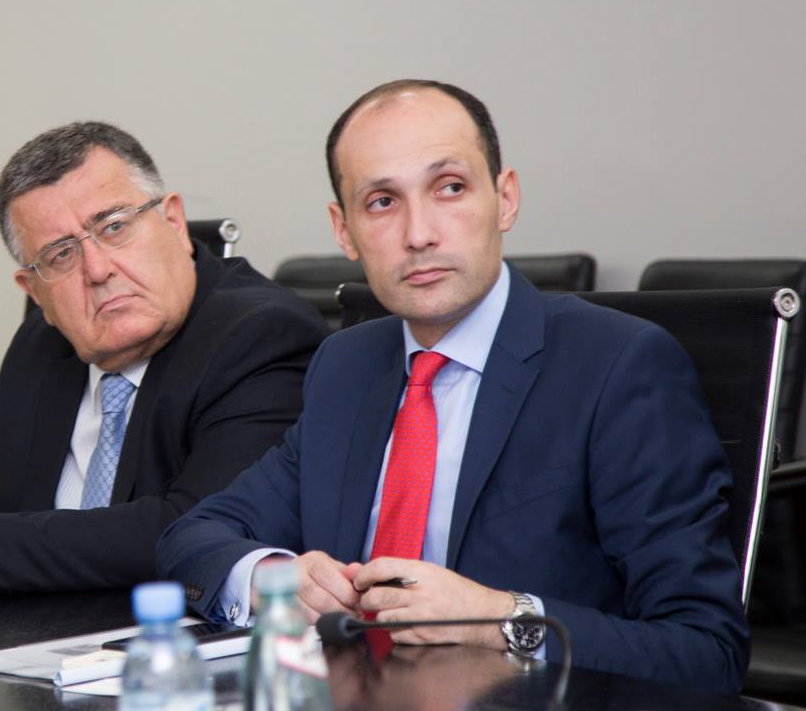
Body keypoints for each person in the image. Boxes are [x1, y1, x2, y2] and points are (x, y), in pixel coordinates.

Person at [155, 80, 749, 692]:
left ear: (506, 199)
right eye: (381, 202)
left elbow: (707, 651)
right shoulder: (346, 365)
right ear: (344, 230)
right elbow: (192, 539)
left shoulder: (617, 366)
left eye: (450, 188)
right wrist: (273, 579)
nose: (419, 234)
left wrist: (500, 619)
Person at [0, 121, 329, 595]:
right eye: (61, 254)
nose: (98, 269)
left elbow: (192, 530)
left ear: (174, 221)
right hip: (29, 646)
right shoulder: (45, 346)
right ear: (35, 292)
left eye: (114, 227)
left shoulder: (259, 336)